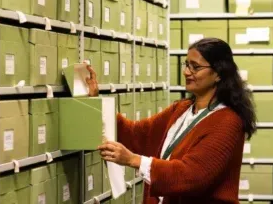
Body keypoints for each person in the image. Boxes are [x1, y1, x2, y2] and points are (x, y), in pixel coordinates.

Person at [86, 37, 257, 204]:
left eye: (195, 67)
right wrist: (96, 100)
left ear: (218, 74)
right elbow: (136, 135)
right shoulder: (181, 109)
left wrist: (134, 160)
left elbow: (191, 176)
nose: (186, 72)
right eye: (186, 64)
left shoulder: (228, 121)